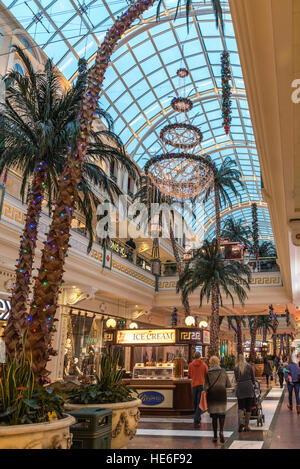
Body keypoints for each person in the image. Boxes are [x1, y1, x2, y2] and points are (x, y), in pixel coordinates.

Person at [203, 356, 231, 443]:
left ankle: (215, 436)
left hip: (212, 396)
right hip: (222, 395)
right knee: (222, 414)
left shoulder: (208, 373)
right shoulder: (223, 371)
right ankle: (221, 432)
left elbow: (205, 387)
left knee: (214, 417)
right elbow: (228, 384)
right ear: (218, 362)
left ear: (211, 363)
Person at [234, 354, 255, 432]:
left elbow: (236, 379)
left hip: (240, 387)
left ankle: (241, 423)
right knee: (248, 406)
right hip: (249, 387)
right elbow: (253, 378)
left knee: (241, 406)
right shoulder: (249, 366)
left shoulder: (236, 368)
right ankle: (246, 426)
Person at [188, 352, 208, 427]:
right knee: (199, 403)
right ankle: (196, 420)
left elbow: (189, 375)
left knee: (195, 402)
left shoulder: (190, 365)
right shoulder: (204, 365)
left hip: (193, 385)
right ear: (200, 357)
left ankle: (197, 419)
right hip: (201, 385)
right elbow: (207, 374)